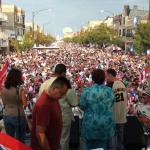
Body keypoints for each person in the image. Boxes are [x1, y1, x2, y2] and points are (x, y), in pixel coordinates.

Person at [39, 63, 78, 150]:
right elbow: (74, 102)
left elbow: (39, 101)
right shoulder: (65, 84)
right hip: (63, 117)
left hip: (47, 118)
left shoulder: (44, 84)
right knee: (63, 140)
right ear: (63, 74)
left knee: (49, 140)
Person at [79, 69, 115, 150]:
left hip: (90, 125)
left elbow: (81, 105)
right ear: (103, 78)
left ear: (93, 78)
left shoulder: (87, 91)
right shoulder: (109, 91)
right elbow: (112, 103)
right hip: (105, 125)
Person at [31, 76, 71, 150]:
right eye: (61, 93)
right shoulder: (44, 105)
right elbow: (40, 134)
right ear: (54, 89)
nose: (62, 96)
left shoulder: (53, 98)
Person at [1, 68, 27, 143]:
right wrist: (25, 95)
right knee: (20, 140)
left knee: (10, 140)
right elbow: (25, 104)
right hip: (18, 116)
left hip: (6, 115)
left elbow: (4, 103)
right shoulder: (20, 89)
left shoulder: (3, 89)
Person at [106, 68, 127, 150]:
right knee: (120, 139)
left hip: (113, 115)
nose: (106, 78)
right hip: (122, 114)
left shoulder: (109, 86)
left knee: (112, 138)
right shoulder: (122, 84)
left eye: (106, 75)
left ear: (110, 75)